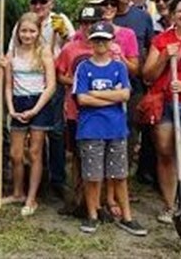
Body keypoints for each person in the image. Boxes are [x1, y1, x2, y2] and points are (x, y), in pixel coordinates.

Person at [74, 21, 147, 236]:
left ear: (111, 41)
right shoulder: (84, 67)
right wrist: (110, 96)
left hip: (116, 128)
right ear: (90, 42)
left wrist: (95, 94)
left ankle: (127, 217)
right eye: (96, 39)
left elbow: (125, 94)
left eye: (104, 39)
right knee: (92, 175)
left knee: (119, 175)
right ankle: (92, 215)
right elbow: (82, 98)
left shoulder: (119, 67)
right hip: (91, 128)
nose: (100, 43)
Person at [1, 12, 56, 216]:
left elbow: (51, 86)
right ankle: (17, 192)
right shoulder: (11, 54)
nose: (27, 35)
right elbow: (7, 86)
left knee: (34, 152)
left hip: (39, 102)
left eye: (32, 31)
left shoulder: (44, 52)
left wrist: (35, 109)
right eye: (24, 30)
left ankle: (32, 198)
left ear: (38, 32)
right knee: (16, 154)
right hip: (17, 101)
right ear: (18, 32)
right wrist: (11, 109)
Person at [55, 5, 106, 215]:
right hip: (76, 111)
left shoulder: (106, 48)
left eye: (92, 23)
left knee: (100, 157)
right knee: (77, 156)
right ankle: (77, 200)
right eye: (84, 23)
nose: (88, 28)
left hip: (102, 111)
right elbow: (60, 75)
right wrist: (78, 82)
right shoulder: (70, 49)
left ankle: (97, 203)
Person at [143, 0, 181, 225]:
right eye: (179, 11)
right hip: (165, 102)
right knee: (166, 150)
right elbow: (148, 75)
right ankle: (170, 205)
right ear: (173, 14)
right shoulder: (162, 40)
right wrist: (165, 58)